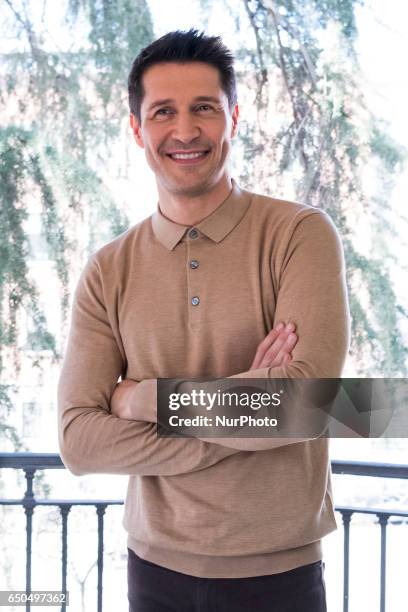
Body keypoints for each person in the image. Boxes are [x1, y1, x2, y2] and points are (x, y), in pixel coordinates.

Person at [57, 29, 350, 612]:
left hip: (280, 577)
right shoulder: (108, 269)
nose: (185, 131)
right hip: (153, 573)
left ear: (233, 119)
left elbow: (305, 407)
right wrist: (247, 413)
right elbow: (79, 442)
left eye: (204, 109)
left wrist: (144, 402)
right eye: (164, 111)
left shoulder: (299, 235)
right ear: (138, 129)